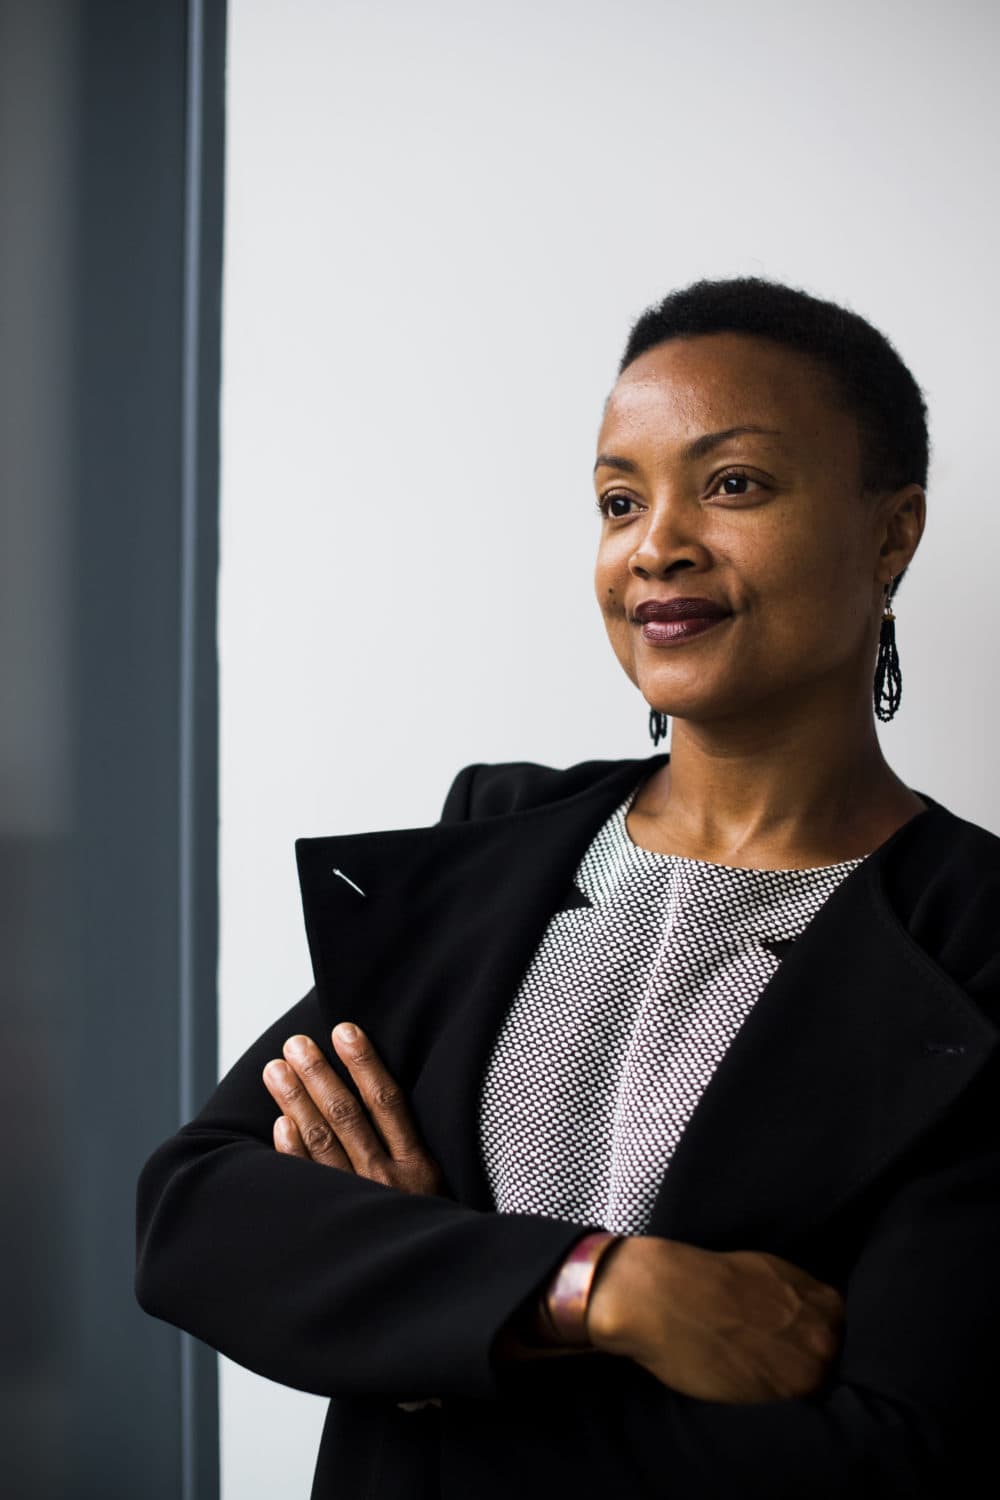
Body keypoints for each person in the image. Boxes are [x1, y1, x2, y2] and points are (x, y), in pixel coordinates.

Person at [135, 276, 1000, 1499]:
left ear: (890, 532)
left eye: (733, 484)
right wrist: (596, 1291)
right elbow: (197, 1217)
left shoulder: (972, 944)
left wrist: (430, 1317)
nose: (658, 544)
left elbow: (891, 1455)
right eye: (617, 499)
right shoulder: (495, 846)